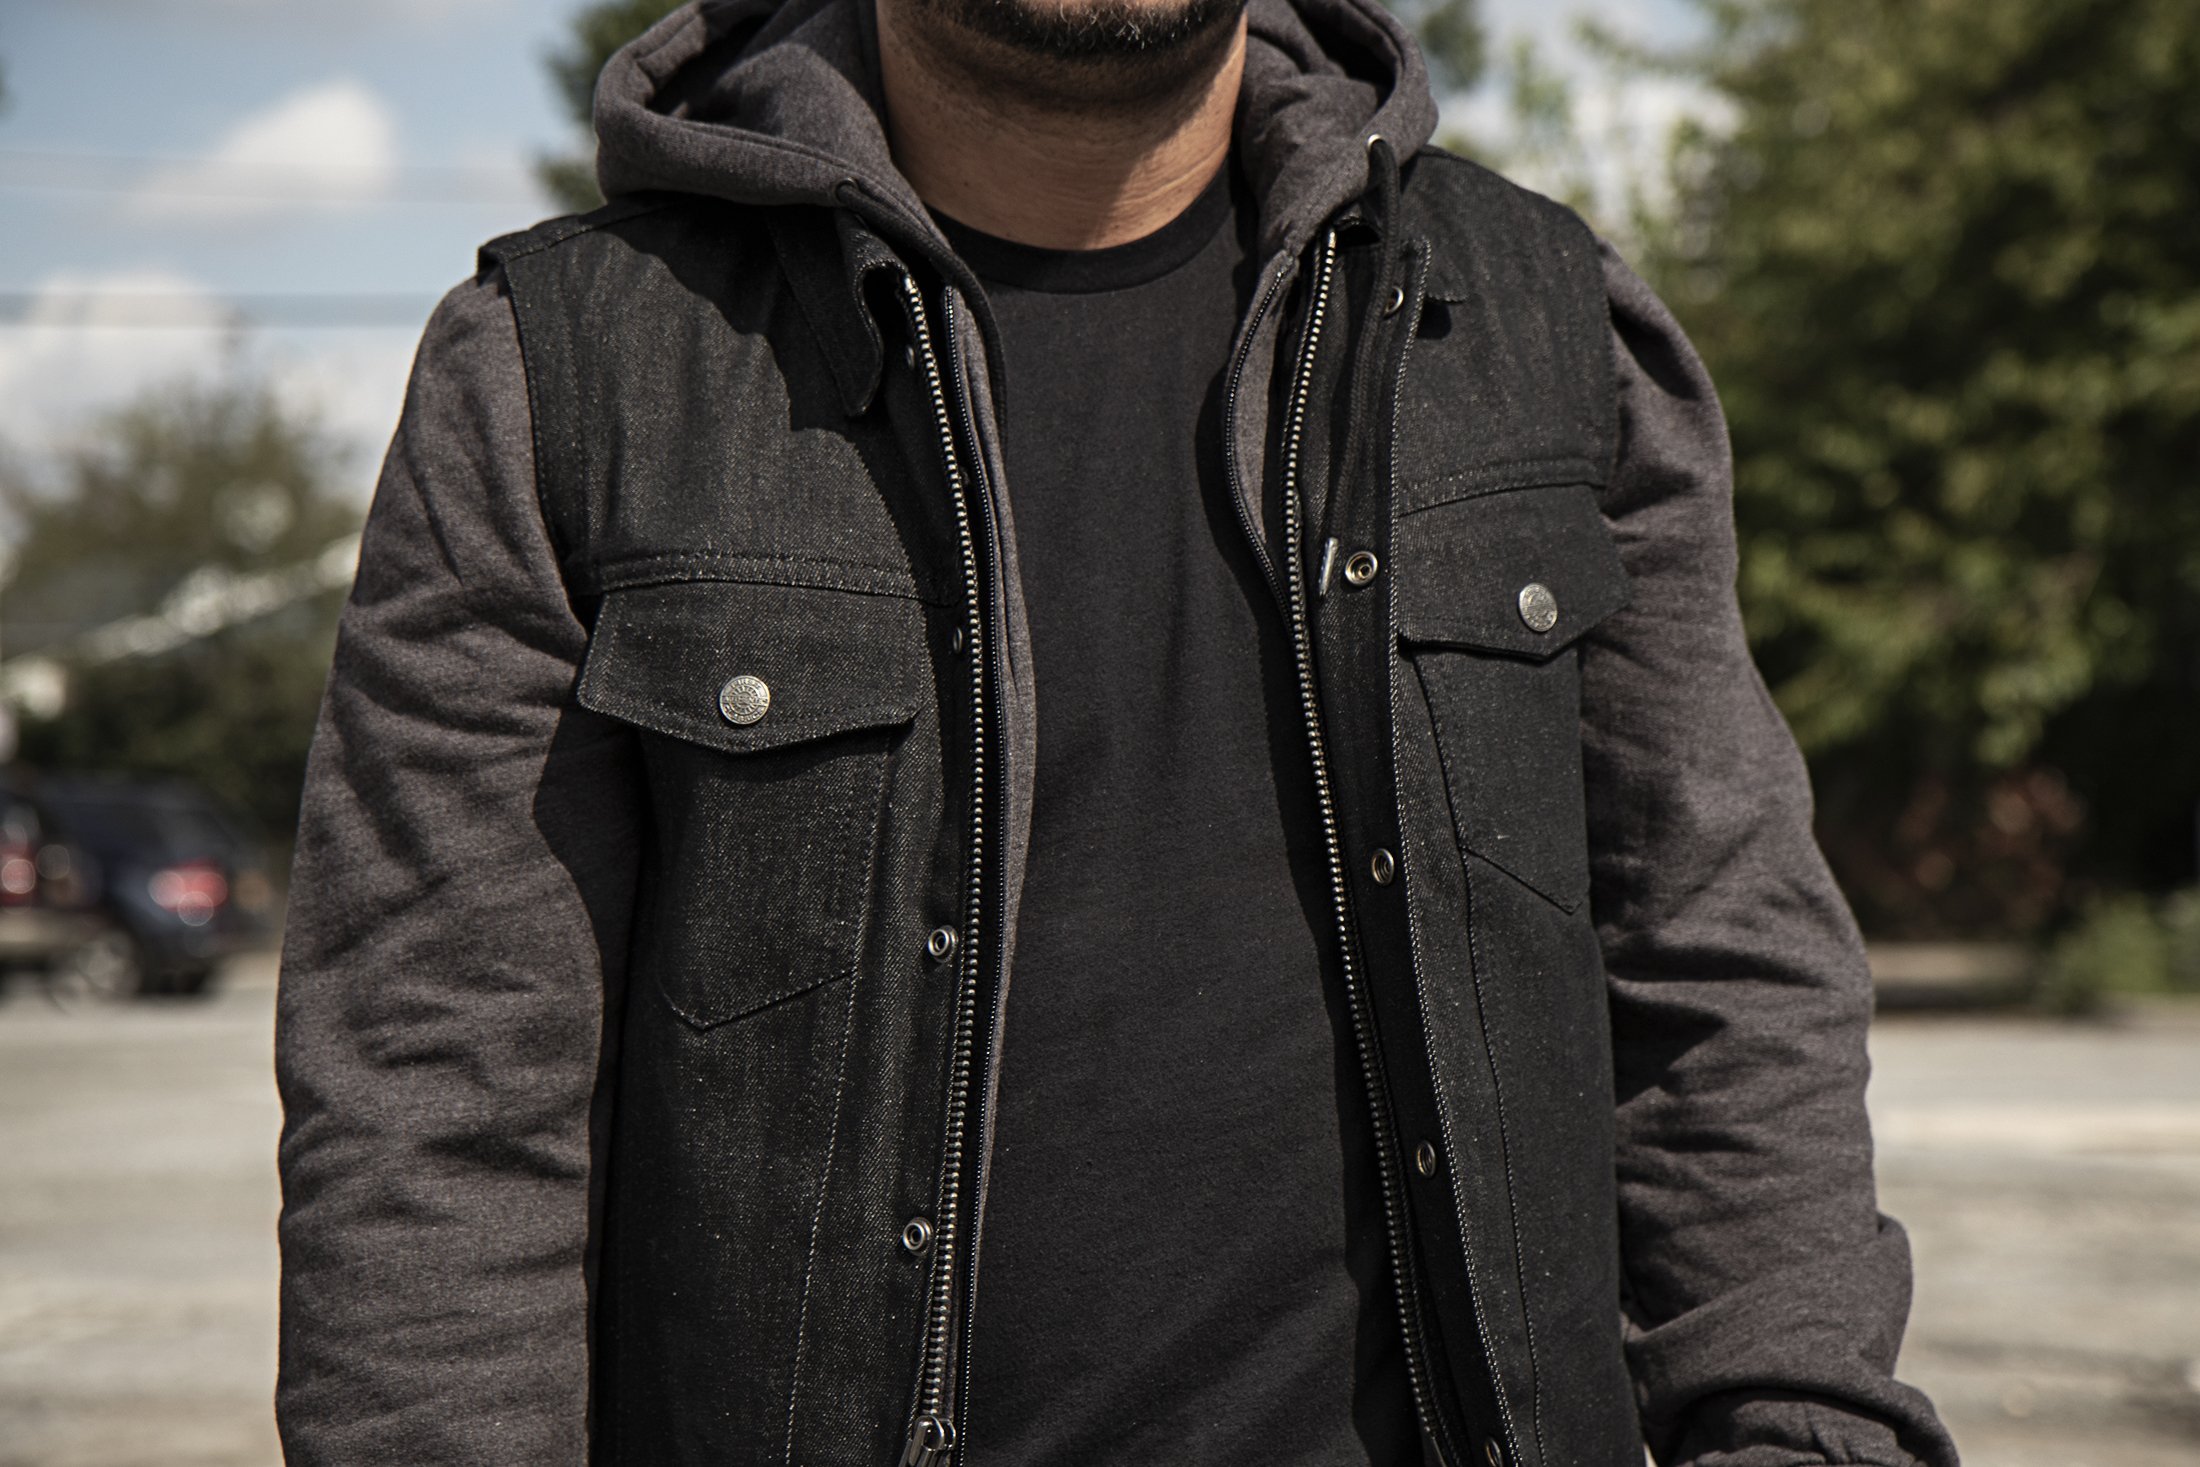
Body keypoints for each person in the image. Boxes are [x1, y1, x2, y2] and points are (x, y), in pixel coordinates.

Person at [272, 0, 1961, 1462]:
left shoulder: (1544, 324)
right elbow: (436, 1108)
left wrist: (1803, 1433)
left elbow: (1718, 951)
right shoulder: (564, 373)